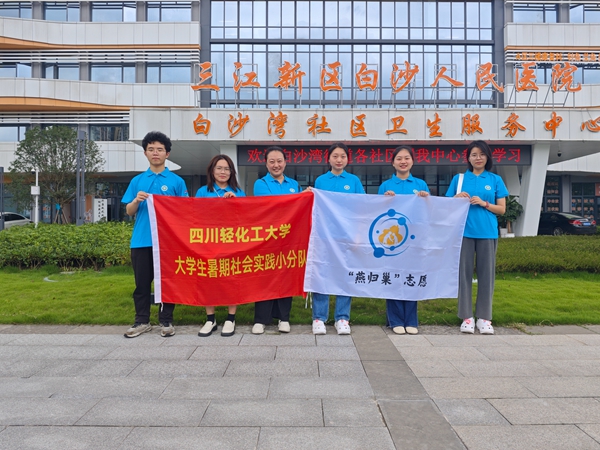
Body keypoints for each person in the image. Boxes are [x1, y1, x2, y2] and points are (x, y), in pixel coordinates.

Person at [122, 131, 189, 338]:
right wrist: (136, 201)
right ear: (145, 153)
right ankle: (141, 320)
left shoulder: (177, 181)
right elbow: (129, 211)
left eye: (160, 149)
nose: (155, 153)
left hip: (168, 243)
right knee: (142, 284)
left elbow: (184, 210)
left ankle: (166, 320)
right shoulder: (137, 181)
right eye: (151, 149)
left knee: (167, 282)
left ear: (167, 154)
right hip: (142, 240)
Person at [446, 140, 508, 335]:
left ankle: (484, 318)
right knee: (463, 275)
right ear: (468, 158)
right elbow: (446, 206)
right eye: (474, 154)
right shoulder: (459, 179)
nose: (478, 158)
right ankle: (466, 317)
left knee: (486, 275)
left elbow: (502, 209)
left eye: (482, 154)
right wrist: (456, 199)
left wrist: (484, 203)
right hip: (463, 232)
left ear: (487, 157)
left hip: (487, 232)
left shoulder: (495, 179)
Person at [311, 142, 365, 335]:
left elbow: (362, 208)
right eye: (335, 156)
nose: (339, 160)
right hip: (324, 236)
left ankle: (342, 318)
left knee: (344, 275)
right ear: (329, 159)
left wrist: (358, 234)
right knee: (321, 274)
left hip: (347, 236)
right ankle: (319, 317)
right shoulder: (320, 181)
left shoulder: (354, 181)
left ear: (347, 159)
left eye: (342, 156)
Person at [378, 145, 429, 335]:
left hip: (414, 240)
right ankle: (395, 320)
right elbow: (377, 213)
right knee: (393, 278)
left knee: (411, 277)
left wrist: (426, 198)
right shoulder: (386, 186)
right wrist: (385, 199)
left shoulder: (421, 185)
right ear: (393, 163)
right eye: (399, 158)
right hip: (392, 242)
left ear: (412, 161)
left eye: (406, 158)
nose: (403, 162)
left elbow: (429, 212)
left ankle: (411, 320)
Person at [252, 146, 303, 335]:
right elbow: (270, 206)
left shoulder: (294, 184)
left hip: (289, 238)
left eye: (279, 161)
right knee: (264, 278)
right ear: (266, 164)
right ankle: (261, 319)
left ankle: (284, 318)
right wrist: (295, 200)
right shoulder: (260, 184)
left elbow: (299, 208)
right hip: (267, 238)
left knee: (285, 276)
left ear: (285, 163)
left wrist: (303, 197)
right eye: (272, 161)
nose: (276, 165)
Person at [196, 154, 245, 337]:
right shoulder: (203, 192)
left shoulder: (238, 192)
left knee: (232, 279)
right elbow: (194, 216)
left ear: (232, 172)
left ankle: (231, 318)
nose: (223, 172)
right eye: (219, 168)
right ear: (212, 171)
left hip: (232, 243)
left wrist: (235, 202)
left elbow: (246, 218)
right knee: (209, 279)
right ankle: (211, 319)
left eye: (227, 169)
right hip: (208, 243)